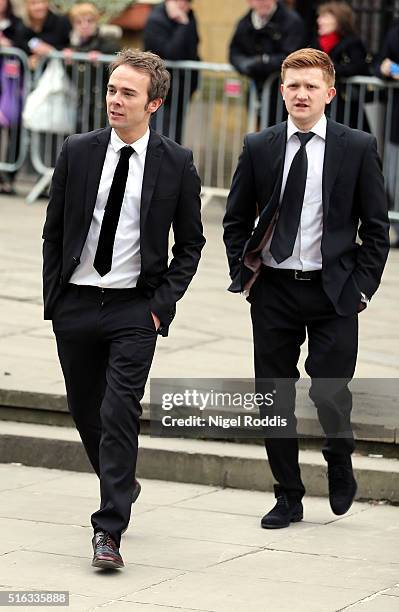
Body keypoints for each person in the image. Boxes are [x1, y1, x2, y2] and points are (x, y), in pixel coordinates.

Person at [42, 48, 205, 569]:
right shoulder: (78, 150)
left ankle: (108, 530)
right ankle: (122, 481)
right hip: (77, 302)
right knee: (86, 410)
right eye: (112, 90)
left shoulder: (176, 163)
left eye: (127, 93)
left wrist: (160, 306)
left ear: (153, 103)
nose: (115, 100)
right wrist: (56, 297)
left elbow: (191, 245)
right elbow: (53, 230)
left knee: (118, 411)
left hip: (135, 308)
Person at [223, 48, 389, 529]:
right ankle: (287, 495)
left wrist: (362, 288)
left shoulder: (356, 147)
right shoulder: (260, 145)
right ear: (281, 91)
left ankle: (339, 455)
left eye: (311, 86)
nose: (301, 94)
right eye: (293, 86)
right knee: (272, 396)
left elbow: (376, 229)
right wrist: (247, 272)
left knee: (330, 391)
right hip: (274, 289)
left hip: (334, 291)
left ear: (329, 94)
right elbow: (235, 219)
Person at [229, 0, 305, 108]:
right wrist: (243, 64)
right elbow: (234, 51)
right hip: (255, 89)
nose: (262, 2)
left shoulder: (291, 21)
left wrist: (263, 62)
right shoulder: (245, 23)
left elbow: (292, 56)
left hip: (283, 93)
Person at [143, 0, 200, 143]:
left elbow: (193, 48)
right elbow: (171, 53)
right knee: (160, 137)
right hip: (162, 90)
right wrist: (182, 24)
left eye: (188, 2)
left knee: (175, 139)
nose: (184, 5)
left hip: (182, 90)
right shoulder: (156, 20)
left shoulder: (189, 16)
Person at [64, 2, 121, 132]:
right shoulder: (74, 47)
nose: (85, 25)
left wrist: (101, 63)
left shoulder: (108, 44)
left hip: (103, 105)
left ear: (96, 22)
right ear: (73, 25)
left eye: (89, 21)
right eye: (79, 22)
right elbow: (74, 80)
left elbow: (118, 74)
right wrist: (68, 65)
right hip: (83, 105)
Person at [313, 1, 370, 127]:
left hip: (346, 103)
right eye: (320, 16)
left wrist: (330, 69)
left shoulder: (352, 42)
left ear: (339, 20)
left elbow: (359, 67)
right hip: (322, 103)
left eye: (325, 17)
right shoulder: (317, 43)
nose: (319, 21)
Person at [377, 20, 399, 211]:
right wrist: (384, 69)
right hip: (398, 118)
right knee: (395, 179)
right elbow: (378, 62)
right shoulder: (395, 31)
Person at [0, 0, 23, 194]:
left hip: (11, 86)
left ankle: (8, 177)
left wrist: (9, 45)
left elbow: (22, 46)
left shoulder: (16, 25)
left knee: (14, 128)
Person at [14, 0, 71, 70]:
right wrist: (27, 62)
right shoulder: (21, 26)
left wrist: (52, 51)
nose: (39, 6)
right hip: (31, 76)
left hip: (58, 73)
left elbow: (70, 47)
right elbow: (18, 50)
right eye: (34, 3)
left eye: (43, 2)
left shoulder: (61, 22)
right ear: (26, 6)